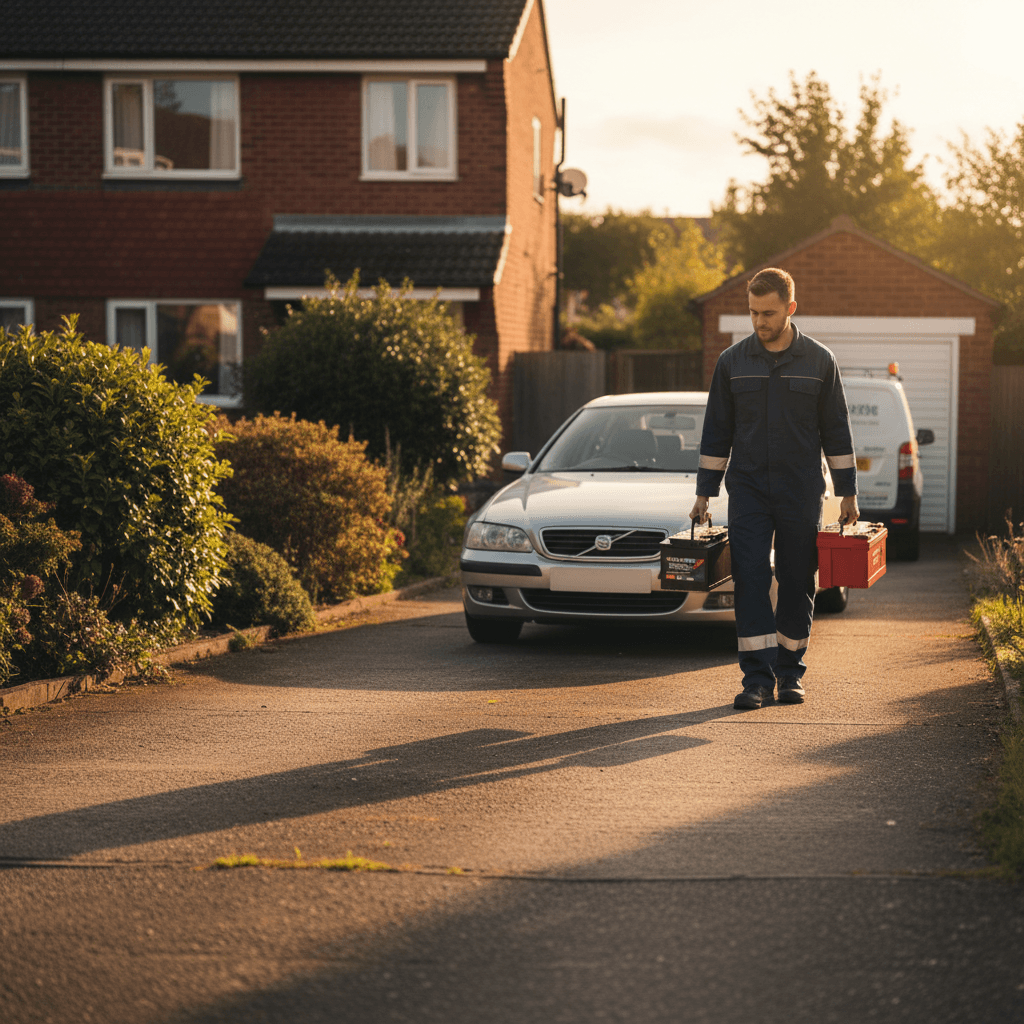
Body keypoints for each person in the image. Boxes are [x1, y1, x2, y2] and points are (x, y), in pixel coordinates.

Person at [690, 268, 859, 710]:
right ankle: (756, 680)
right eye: (753, 312)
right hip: (747, 489)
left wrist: (848, 493)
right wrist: (704, 493)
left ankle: (790, 673)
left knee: (797, 578)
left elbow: (837, 432)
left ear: (790, 308)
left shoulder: (820, 362)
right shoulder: (732, 362)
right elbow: (716, 433)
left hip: (801, 489)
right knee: (750, 577)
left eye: (768, 313)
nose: (760, 322)